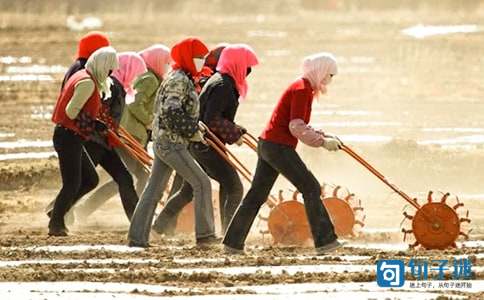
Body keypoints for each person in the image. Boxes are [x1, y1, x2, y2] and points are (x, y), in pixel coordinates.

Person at [222, 52, 343, 254]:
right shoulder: (302, 89)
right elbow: (295, 126)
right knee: (311, 187)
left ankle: (232, 243)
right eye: (330, 75)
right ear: (321, 72)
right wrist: (322, 142)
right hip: (278, 146)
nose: (330, 80)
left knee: (256, 195)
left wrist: (322, 135)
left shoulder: (302, 86)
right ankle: (325, 241)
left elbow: (299, 123)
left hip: (268, 144)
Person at [152, 44, 258, 236]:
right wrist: (235, 132)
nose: (248, 71)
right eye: (246, 66)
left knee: (188, 190)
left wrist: (235, 131)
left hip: (202, 143)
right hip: (206, 145)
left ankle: (160, 225)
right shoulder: (223, 85)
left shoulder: (221, 80)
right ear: (237, 64)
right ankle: (231, 234)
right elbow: (211, 119)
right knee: (235, 187)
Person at [128, 37, 217, 247]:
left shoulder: (180, 77)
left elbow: (176, 110)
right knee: (202, 182)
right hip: (171, 143)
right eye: (198, 58)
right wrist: (193, 129)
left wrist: (196, 125)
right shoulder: (179, 80)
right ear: (188, 57)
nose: (201, 62)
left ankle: (137, 236)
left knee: (154, 189)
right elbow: (171, 111)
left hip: (164, 141)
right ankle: (205, 236)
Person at [70, 52, 149, 221]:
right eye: (136, 74)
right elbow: (100, 112)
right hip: (96, 140)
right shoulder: (112, 86)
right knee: (85, 180)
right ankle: (56, 210)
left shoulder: (116, 86)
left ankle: (137, 222)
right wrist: (105, 129)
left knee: (123, 178)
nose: (136, 79)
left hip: (105, 140)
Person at [49, 46, 118, 236]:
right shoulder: (87, 83)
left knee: (90, 179)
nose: (110, 74)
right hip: (68, 136)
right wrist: (94, 125)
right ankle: (56, 223)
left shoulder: (83, 76)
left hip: (72, 136)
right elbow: (72, 111)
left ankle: (57, 212)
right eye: (109, 69)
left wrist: (95, 123)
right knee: (72, 183)